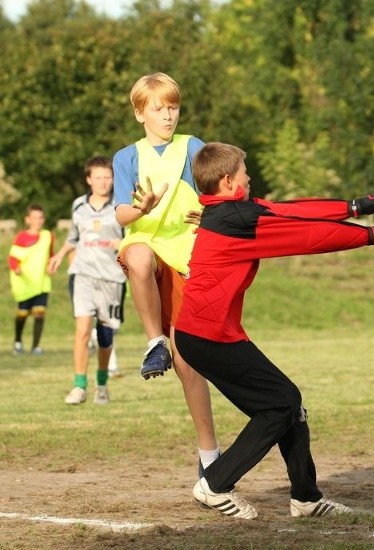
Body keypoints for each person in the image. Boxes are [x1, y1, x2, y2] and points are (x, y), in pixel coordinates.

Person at [174, 142, 374, 519]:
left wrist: (355, 207)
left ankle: (306, 498)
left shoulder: (232, 211)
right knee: (281, 404)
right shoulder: (236, 219)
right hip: (207, 338)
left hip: (208, 334)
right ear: (228, 181)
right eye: (244, 171)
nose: (249, 176)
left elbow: (289, 210)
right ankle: (215, 483)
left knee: (289, 406)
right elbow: (307, 236)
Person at [112, 72, 219, 474]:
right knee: (137, 257)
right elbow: (122, 214)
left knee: (188, 362)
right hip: (146, 245)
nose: (168, 115)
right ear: (141, 113)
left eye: (173, 106)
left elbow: (219, 192)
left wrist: (209, 211)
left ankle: (209, 455)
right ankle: (153, 341)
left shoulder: (193, 147)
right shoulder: (127, 157)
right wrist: (143, 209)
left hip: (185, 254)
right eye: (158, 109)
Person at [49, 156, 126, 405]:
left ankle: (101, 385)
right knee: (82, 330)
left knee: (105, 337)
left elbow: (135, 239)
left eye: (107, 177)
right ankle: (79, 386)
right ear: (89, 179)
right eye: (99, 177)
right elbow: (73, 238)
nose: (104, 182)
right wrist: (60, 255)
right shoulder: (78, 206)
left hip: (112, 279)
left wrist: (122, 243)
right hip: (82, 275)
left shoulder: (121, 206)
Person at [8, 204, 54, 355]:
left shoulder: (48, 236)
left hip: (42, 281)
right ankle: (18, 341)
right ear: (28, 219)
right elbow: (13, 257)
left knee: (40, 313)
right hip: (25, 282)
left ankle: (36, 346)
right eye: (34, 218)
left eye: (40, 218)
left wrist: (51, 265)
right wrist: (16, 268)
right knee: (22, 314)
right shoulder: (22, 237)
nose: (38, 221)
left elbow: (51, 255)